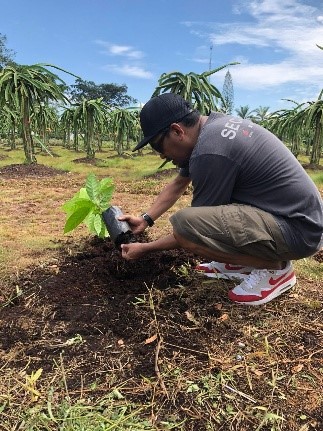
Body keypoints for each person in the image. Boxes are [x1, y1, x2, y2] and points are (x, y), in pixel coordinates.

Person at [119, 93, 323, 306]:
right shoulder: (212, 128)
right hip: (296, 220)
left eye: (157, 146)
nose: (161, 155)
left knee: (185, 224)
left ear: (177, 131)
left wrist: (146, 248)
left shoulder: (210, 152)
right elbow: (180, 182)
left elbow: (191, 232)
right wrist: (146, 219)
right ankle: (242, 263)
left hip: (298, 232)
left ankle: (275, 268)